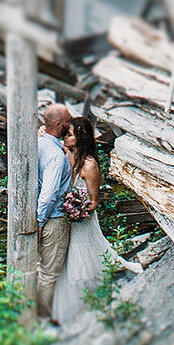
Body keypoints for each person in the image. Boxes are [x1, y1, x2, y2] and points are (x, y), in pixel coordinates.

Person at [51, 108, 121, 327]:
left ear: (79, 138)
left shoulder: (89, 165)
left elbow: (94, 201)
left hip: (82, 221)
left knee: (81, 260)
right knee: (67, 260)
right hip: (69, 219)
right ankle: (69, 309)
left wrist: (77, 209)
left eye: (69, 134)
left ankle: (87, 305)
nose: (65, 137)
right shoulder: (70, 156)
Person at [34, 102, 73, 321]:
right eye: (67, 121)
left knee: (41, 267)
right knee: (49, 273)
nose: (70, 125)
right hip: (53, 219)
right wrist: (40, 222)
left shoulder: (40, 143)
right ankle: (41, 318)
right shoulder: (56, 157)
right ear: (58, 124)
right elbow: (48, 194)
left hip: (44, 216)